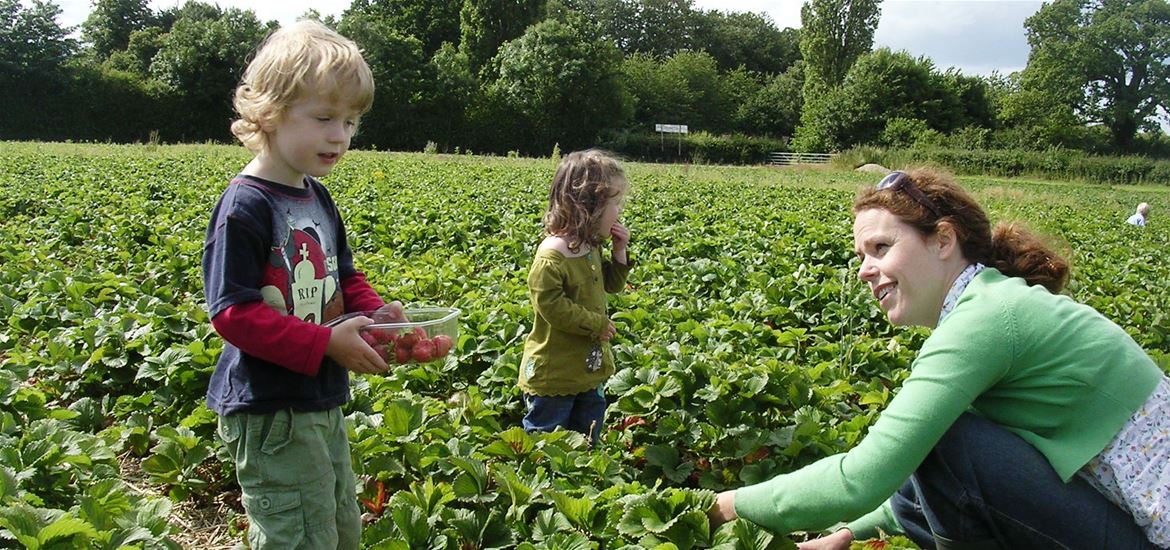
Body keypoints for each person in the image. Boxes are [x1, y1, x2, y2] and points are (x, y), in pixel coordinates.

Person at [709, 168, 1170, 550]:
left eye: (881, 248)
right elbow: (926, 478)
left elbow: (861, 479)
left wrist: (724, 508)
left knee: (950, 442)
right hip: (1131, 524)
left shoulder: (987, 319)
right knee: (944, 443)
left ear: (943, 240)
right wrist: (849, 534)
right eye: (861, 255)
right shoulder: (996, 302)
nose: (865, 268)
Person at [201, 20, 405, 549]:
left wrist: (377, 316)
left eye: (351, 121)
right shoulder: (246, 205)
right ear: (269, 113)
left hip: (319, 397)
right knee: (296, 534)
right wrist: (324, 343)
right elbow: (231, 312)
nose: (341, 135)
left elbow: (345, 277)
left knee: (337, 522)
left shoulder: (315, 197)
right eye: (324, 118)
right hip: (271, 410)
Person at [518, 149, 632, 445]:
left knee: (589, 432)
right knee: (548, 438)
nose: (618, 212)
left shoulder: (590, 246)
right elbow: (550, 306)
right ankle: (546, 484)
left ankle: (584, 478)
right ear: (588, 206)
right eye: (614, 204)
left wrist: (619, 251)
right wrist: (594, 324)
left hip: (588, 368)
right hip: (554, 373)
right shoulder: (552, 256)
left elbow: (611, 285)